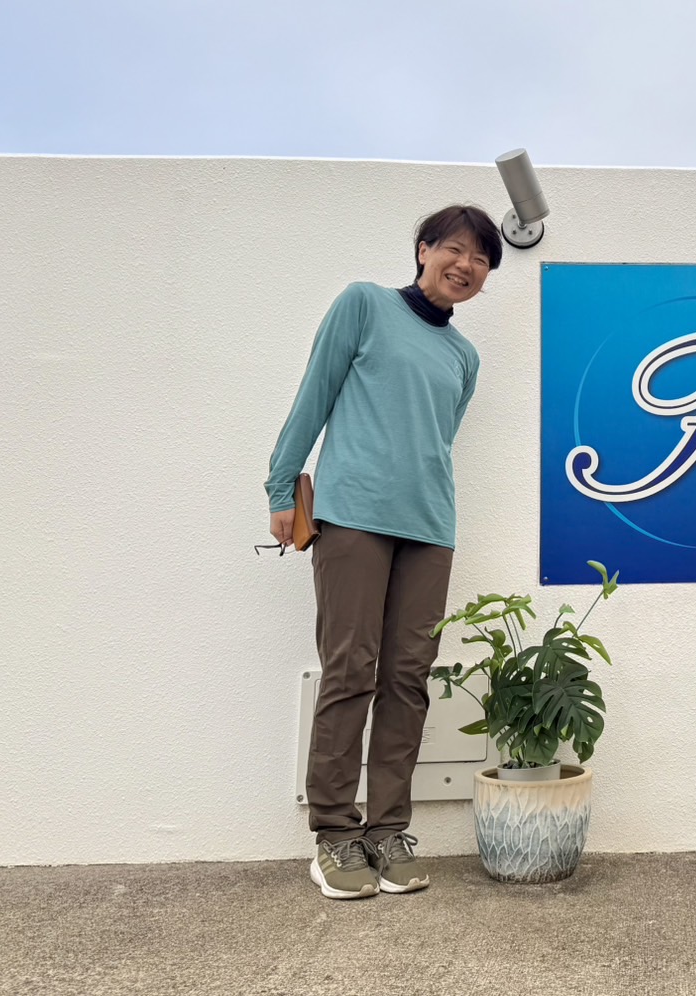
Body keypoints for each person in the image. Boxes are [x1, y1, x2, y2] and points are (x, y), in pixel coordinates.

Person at [266, 205, 501, 900]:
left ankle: (387, 829)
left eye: (481, 259)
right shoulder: (364, 305)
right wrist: (282, 486)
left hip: (429, 527)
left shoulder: (464, 356)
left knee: (408, 678)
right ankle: (335, 835)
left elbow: (437, 439)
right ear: (424, 249)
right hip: (352, 517)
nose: (466, 266)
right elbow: (315, 395)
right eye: (454, 249)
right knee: (350, 670)